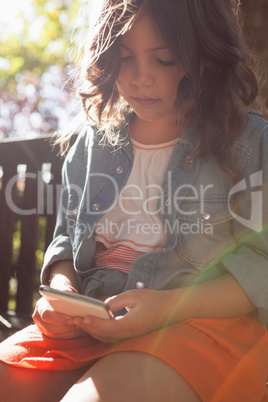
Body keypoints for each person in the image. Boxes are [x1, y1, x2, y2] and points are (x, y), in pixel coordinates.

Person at [0, 0, 268, 400]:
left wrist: (166, 307)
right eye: (124, 59)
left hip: (199, 328)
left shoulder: (248, 143)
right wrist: (62, 296)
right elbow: (65, 242)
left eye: (164, 60)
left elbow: (260, 268)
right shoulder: (91, 142)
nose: (141, 78)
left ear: (207, 55)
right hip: (93, 326)